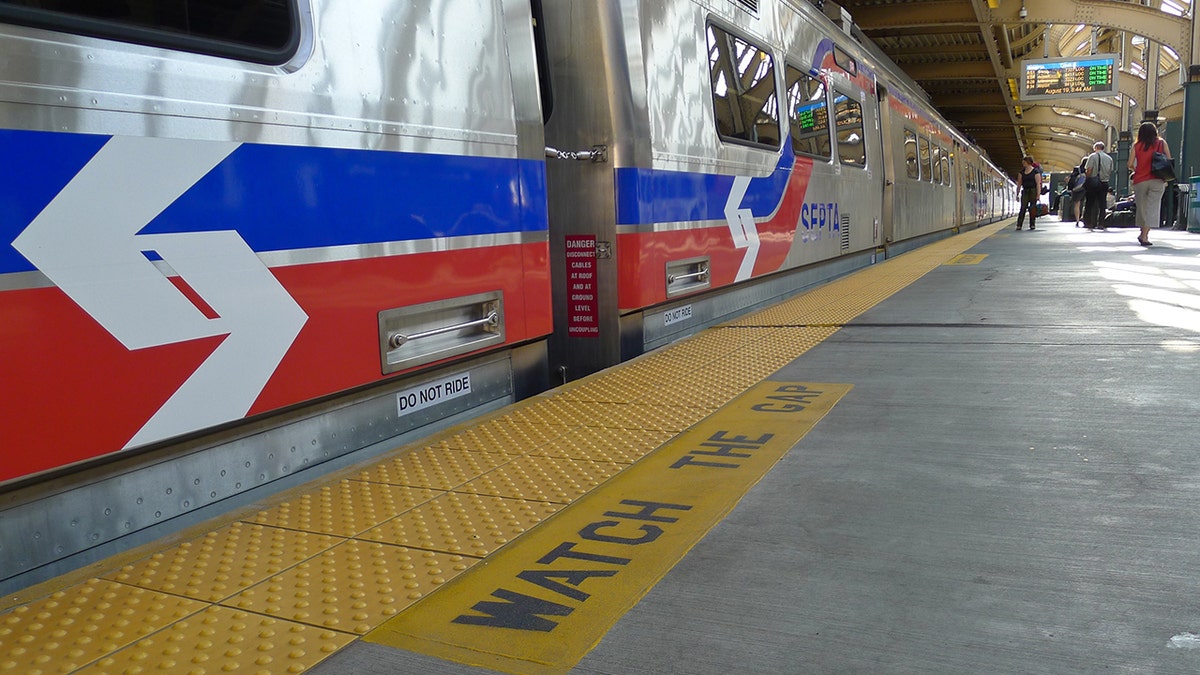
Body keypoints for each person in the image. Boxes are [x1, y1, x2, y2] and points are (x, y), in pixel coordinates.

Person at [1128, 121, 1170, 246]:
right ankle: (1145, 236)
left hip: (1140, 180)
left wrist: (1137, 169)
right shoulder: (1162, 143)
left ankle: (1142, 233)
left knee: (1142, 208)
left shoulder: (1137, 146)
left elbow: (1129, 164)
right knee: (1153, 208)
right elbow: (1168, 160)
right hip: (1157, 179)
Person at [1082, 141, 1114, 231]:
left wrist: (1088, 178)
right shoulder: (1109, 158)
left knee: (1089, 203)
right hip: (1104, 183)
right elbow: (1110, 171)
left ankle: (1088, 223)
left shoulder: (1092, 156)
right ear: (1103, 148)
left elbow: (1089, 170)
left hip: (1093, 182)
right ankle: (1101, 223)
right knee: (1102, 204)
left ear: (1095, 148)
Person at [1014, 155, 1041, 231]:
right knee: (1023, 207)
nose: (1023, 163)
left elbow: (1038, 184)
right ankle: (1019, 224)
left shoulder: (1036, 172)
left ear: (1028, 162)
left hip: (1033, 191)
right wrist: (1017, 193)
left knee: (1032, 208)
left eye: (1024, 162)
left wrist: (1038, 195)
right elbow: (1019, 184)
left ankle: (1032, 224)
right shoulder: (1021, 173)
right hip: (1025, 191)